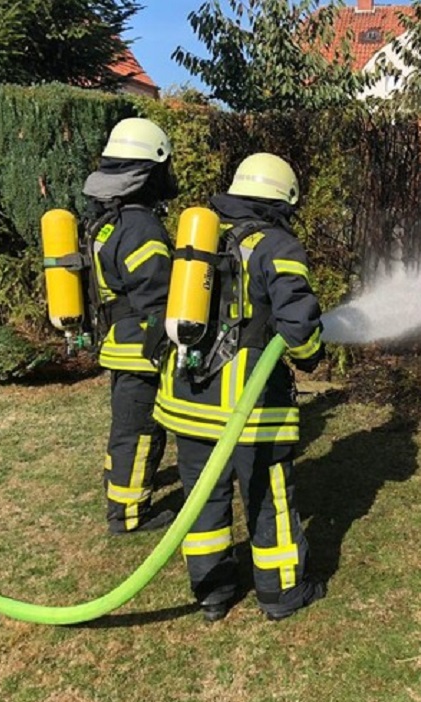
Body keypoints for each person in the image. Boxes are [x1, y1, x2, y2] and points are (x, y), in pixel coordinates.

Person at [154, 152, 326, 622]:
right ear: (281, 202)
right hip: (247, 409)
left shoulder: (203, 239)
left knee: (202, 499)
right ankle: (283, 594)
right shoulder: (277, 246)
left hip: (187, 398)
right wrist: (312, 355)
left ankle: (212, 593)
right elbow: (298, 325)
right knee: (268, 499)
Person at [82, 117, 178, 534]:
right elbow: (156, 294)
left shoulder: (108, 218)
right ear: (149, 172)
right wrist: (173, 338)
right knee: (140, 431)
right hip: (141, 346)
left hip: (120, 342)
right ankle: (128, 515)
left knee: (125, 427)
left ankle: (118, 482)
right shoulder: (140, 226)